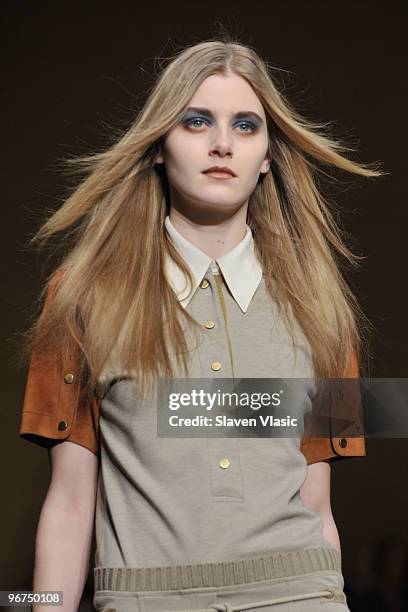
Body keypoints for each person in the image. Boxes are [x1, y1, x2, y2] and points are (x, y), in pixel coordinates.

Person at [18, 36, 383, 612]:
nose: (221, 144)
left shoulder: (323, 308)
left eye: (245, 125)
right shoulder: (81, 299)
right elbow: (67, 505)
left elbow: (318, 508)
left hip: (301, 595)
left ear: (267, 155)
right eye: (195, 122)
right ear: (159, 145)